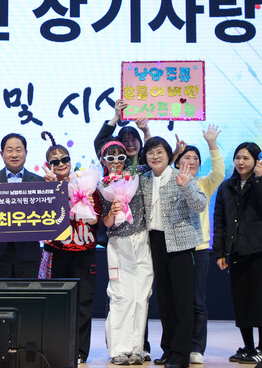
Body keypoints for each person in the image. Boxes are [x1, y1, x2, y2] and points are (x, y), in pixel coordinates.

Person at [213, 142, 262, 364]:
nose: (240, 162)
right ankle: (248, 347)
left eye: (246, 158)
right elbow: (220, 222)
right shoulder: (226, 187)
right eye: (238, 158)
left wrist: (259, 180)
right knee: (242, 301)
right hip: (237, 252)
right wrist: (220, 252)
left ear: (256, 161)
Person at [140, 136, 206, 368]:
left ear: (169, 156)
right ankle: (168, 350)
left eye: (160, 152)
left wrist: (186, 186)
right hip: (155, 241)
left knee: (182, 302)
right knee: (165, 301)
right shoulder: (144, 179)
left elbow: (200, 205)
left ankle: (180, 354)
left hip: (181, 244)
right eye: (151, 152)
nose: (155, 156)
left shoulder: (182, 176)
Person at [40, 131, 99, 364]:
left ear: (70, 161)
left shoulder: (86, 183)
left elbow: (97, 219)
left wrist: (87, 205)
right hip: (58, 252)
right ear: (49, 165)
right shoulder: (44, 187)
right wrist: (53, 191)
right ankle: (58, 349)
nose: (61, 164)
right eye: (55, 162)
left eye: (64, 159)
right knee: (58, 304)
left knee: (83, 303)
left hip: (85, 252)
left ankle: (80, 352)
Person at [173, 125, 225, 365]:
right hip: (175, 248)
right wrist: (174, 153)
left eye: (195, 158)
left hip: (199, 249)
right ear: (177, 162)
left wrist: (212, 144)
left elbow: (219, 173)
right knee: (176, 300)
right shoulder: (170, 182)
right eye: (186, 157)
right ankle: (176, 346)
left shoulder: (205, 184)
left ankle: (196, 347)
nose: (191, 161)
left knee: (197, 300)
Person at [98, 141, 153, 366]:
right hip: (119, 244)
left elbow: (156, 160)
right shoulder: (101, 185)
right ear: (103, 161)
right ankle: (118, 349)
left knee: (141, 296)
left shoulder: (137, 175)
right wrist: (112, 211)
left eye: (120, 157)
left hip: (142, 240)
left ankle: (136, 349)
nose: (116, 162)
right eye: (110, 158)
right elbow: (106, 222)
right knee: (121, 296)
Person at [0, 133, 44, 278]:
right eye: (9, 150)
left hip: (28, 252)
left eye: (18, 150)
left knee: (26, 293)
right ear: (2, 154)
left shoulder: (39, 181)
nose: (14, 154)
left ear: (26, 153)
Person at [94, 99, 151, 165]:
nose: (130, 144)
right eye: (125, 141)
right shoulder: (115, 164)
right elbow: (100, 141)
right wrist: (116, 117)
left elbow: (151, 149)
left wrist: (146, 132)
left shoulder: (148, 162)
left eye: (133, 140)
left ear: (140, 142)